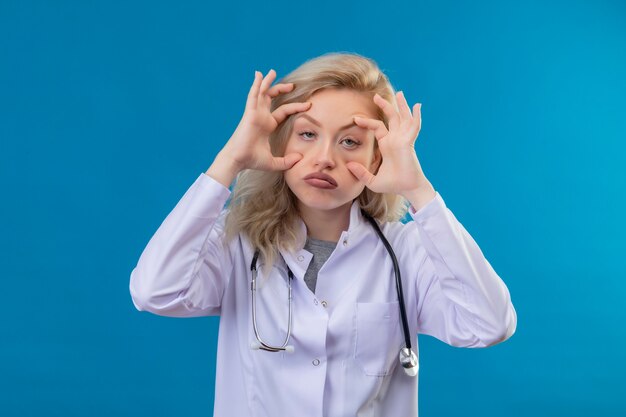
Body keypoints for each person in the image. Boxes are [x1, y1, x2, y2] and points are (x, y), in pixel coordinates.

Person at [129, 52, 517, 417]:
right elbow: (155, 291)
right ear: (281, 140)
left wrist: (419, 191)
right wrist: (229, 161)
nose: (325, 158)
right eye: (307, 134)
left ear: (377, 158)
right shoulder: (236, 244)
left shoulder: (407, 253)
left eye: (350, 141)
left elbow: (489, 324)